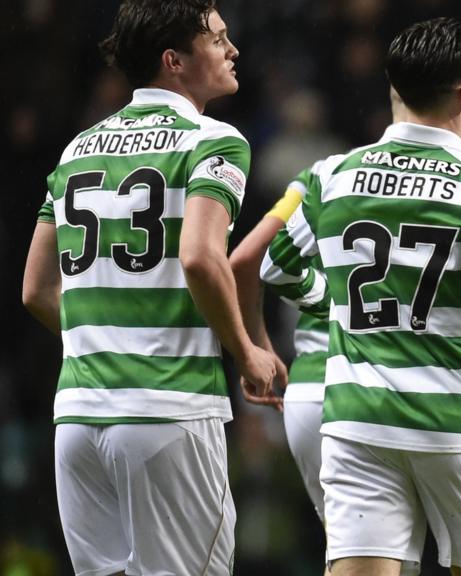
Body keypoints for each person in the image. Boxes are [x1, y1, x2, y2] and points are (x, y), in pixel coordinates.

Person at [259, 17, 461, 576]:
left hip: (358, 420)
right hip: (457, 424)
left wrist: (334, 304)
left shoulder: (333, 176)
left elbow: (274, 267)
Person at [20, 0, 280, 574]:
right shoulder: (214, 141)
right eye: (218, 39)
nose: (233, 49)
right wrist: (247, 350)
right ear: (174, 60)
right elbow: (201, 258)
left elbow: (36, 290)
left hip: (79, 419)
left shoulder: (76, 150)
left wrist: (106, 339)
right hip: (168, 411)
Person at [229, 87, 461, 530]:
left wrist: (257, 346)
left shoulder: (320, 178)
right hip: (396, 392)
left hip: (310, 390)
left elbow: (244, 259)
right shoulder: (449, 189)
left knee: (351, 555)